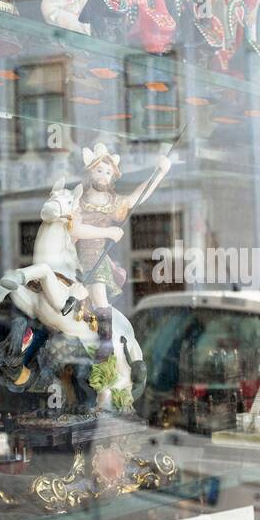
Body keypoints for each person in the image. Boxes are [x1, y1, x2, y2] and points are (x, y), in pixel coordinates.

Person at [74, 143, 170, 358]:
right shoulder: (78, 200)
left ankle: (106, 342)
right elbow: (76, 228)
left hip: (94, 258)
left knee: (99, 294)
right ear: (90, 172)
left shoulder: (112, 203)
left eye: (108, 173)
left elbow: (137, 197)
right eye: (100, 171)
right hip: (73, 256)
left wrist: (160, 173)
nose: (104, 176)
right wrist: (108, 232)